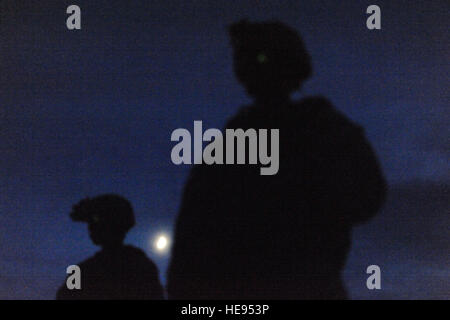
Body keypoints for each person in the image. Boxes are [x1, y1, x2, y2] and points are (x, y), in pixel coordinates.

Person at [167, 20, 387, 299]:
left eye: (262, 57)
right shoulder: (234, 140)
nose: (255, 68)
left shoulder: (322, 127)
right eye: (247, 59)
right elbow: (193, 232)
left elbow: (367, 197)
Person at [56, 194, 164, 300]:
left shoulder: (85, 271)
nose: (90, 227)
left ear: (112, 223)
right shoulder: (142, 265)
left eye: (96, 220)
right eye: (90, 222)